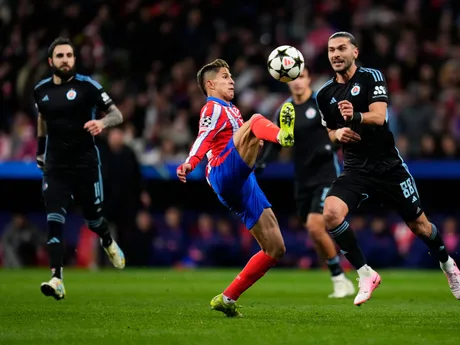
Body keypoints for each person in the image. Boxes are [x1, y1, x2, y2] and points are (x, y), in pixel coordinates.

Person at [316, 31, 460, 306]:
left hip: (389, 167)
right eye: (331, 50)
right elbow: (329, 132)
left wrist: (355, 116)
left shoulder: (372, 77)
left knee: (419, 226)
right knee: (331, 215)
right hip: (356, 168)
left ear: (355, 52)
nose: (335, 54)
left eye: (341, 48)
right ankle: (365, 273)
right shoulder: (324, 94)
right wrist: (338, 135)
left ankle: (447, 264)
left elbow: (380, 117)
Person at [176, 59, 295, 317]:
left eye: (231, 76)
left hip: (243, 180)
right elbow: (203, 138)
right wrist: (189, 163)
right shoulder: (212, 108)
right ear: (211, 83)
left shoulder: (231, 109)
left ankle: (227, 298)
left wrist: (254, 143)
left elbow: (240, 141)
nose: (231, 80)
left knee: (275, 248)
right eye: (225, 76)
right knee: (255, 121)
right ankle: (282, 136)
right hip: (221, 172)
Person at [33, 37, 126, 300]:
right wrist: (41, 149)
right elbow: (42, 117)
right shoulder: (41, 90)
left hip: (85, 164)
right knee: (54, 218)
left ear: (74, 59)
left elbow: (117, 114)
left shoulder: (88, 86)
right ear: (51, 61)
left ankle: (106, 240)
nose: (65, 60)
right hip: (55, 166)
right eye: (60, 56)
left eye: (69, 55)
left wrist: (103, 123)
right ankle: (57, 278)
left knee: (93, 219)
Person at [257, 66, 354, 298]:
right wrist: (262, 163)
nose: (298, 82)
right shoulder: (285, 109)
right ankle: (339, 271)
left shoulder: (321, 103)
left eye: (302, 76)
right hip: (302, 178)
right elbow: (275, 141)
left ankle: (340, 278)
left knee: (314, 226)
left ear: (309, 78)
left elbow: (340, 129)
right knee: (314, 232)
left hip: (326, 175)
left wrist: (330, 146)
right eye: (294, 78)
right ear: (287, 82)